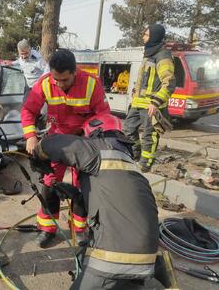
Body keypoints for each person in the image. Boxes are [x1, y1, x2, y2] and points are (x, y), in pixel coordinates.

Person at [31, 113, 159, 290]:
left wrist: (37, 157)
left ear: (97, 133)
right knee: (88, 254)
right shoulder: (127, 163)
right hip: (146, 258)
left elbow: (52, 143)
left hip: (115, 256)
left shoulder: (99, 149)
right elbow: (102, 203)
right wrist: (75, 195)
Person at [21, 49, 111, 248]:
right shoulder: (45, 83)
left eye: (65, 80)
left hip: (83, 141)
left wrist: (92, 139)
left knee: (82, 187)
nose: (59, 84)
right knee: (50, 184)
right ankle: (47, 228)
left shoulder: (90, 84)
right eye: (56, 79)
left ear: (75, 72)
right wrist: (30, 137)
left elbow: (103, 116)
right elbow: (28, 110)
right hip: (57, 141)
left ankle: (79, 229)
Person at [123, 24, 175, 172]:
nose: (143, 37)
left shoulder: (163, 56)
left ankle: (145, 164)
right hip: (138, 102)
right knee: (128, 128)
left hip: (151, 105)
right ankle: (135, 154)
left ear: (154, 37)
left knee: (149, 135)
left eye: (146, 35)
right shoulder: (149, 54)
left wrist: (156, 102)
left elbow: (169, 83)